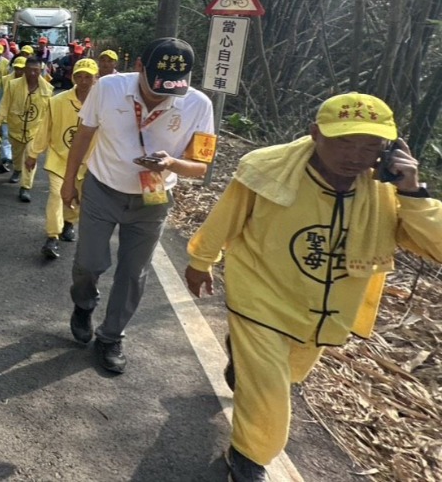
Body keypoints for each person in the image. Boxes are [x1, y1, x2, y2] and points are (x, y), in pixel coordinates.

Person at [183, 93, 442, 482]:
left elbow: (435, 246)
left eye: (369, 146)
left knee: (288, 376)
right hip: (260, 296)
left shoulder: (386, 191)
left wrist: (413, 191)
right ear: (316, 134)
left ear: (388, 148)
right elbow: (227, 217)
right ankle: (249, 457)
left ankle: (243, 365)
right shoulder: (267, 170)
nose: (355, 156)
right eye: (344, 142)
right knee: (271, 395)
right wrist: (201, 261)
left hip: (326, 310)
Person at [60, 37, 215, 373]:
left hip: (153, 199)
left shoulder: (198, 104)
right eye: (155, 86)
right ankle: (84, 305)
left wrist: (171, 163)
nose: (160, 96)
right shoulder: (108, 88)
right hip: (103, 187)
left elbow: (201, 166)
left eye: (170, 88)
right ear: (140, 67)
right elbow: (84, 135)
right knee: (88, 262)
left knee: (133, 272)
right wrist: (69, 180)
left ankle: (111, 336)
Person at [27, 58, 98, 260]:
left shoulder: (102, 103)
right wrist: (33, 154)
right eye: (79, 76)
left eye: (88, 77)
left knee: (78, 196)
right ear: (73, 77)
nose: (83, 81)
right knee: (56, 195)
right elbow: (45, 129)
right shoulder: (58, 101)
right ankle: (52, 236)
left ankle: (69, 222)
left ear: (95, 79)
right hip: (59, 159)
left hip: (88, 162)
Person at [0, 57, 52, 202]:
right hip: (15, 128)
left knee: (30, 157)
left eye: (36, 70)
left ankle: (25, 187)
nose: (33, 73)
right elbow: (4, 104)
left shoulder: (47, 89)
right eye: (30, 70)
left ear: (40, 71)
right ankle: (17, 170)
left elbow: (49, 113)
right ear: (25, 70)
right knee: (17, 155)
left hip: (35, 130)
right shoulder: (13, 85)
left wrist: (49, 131)